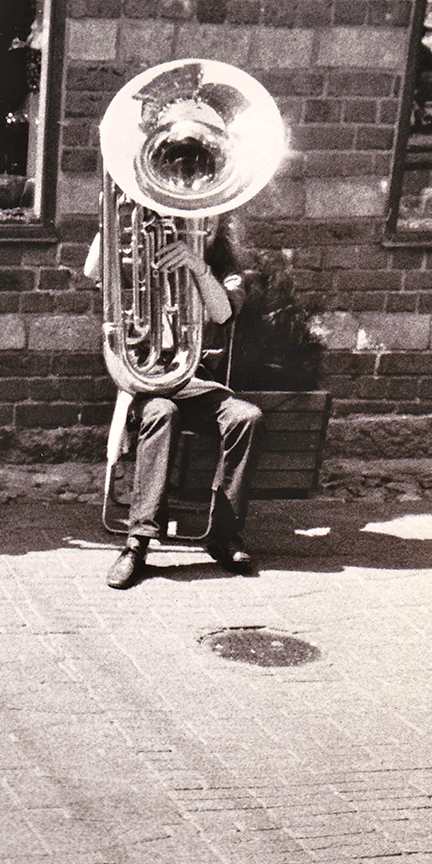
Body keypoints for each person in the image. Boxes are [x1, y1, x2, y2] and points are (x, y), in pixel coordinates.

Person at [87, 217, 261, 589]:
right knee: (162, 413)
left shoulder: (222, 262)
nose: (202, 222)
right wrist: (109, 224)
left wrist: (197, 266)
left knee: (247, 417)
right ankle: (138, 541)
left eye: (211, 215)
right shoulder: (140, 244)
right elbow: (92, 272)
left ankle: (224, 534)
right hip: (146, 382)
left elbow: (223, 313)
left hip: (195, 382)